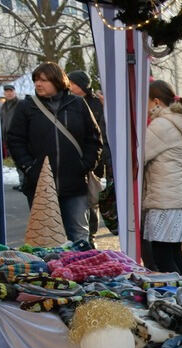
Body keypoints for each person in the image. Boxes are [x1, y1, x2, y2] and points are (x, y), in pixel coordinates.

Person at [7, 62, 102, 243]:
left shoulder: (78, 104)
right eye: (36, 80)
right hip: (40, 186)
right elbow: (15, 140)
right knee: (45, 240)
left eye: (43, 80)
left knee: (79, 238)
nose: (38, 84)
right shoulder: (27, 107)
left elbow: (94, 139)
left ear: (57, 81)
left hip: (74, 186)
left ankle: (82, 270)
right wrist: (29, 167)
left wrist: (85, 165)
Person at [143, 80, 182, 279]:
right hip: (176, 196)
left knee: (163, 257)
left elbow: (138, 156)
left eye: (147, 102)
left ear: (157, 102)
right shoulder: (177, 121)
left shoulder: (162, 124)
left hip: (165, 199)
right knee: (174, 254)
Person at [68, 70, 112, 248]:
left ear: (82, 85)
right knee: (77, 199)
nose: (70, 86)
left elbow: (102, 133)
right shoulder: (69, 103)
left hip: (95, 160)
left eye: (73, 83)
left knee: (92, 199)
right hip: (74, 159)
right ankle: (78, 234)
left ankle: (91, 234)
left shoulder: (97, 103)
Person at [0, 84, 23, 190]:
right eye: (7, 91)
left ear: (14, 92)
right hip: (7, 138)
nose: (9, 93)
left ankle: (24, 183)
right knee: (16, 161)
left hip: (18, 137)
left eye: (10, 91)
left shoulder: (20, 104)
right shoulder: (3, 106)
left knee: (21, 161)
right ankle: (22, 181)